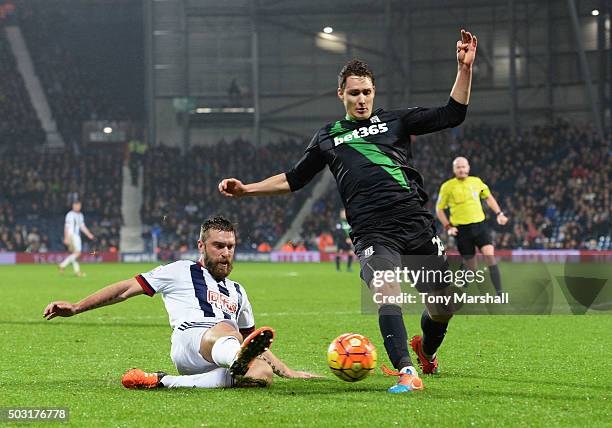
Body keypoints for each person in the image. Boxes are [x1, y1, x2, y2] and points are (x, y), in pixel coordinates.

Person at [218, 29, 478, 393]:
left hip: (416, 225)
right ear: (340, 94)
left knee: (443, 307)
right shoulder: (328, 136)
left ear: (374, 93)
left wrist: (464, 68)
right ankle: (406, 371)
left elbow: (453, 114)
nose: (361, 99)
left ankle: (425, 350)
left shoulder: (396, 122)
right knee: (387, 290)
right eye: (354, 93)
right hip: (374, 232)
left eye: (367, 92)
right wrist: (247, 190)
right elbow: (295, 178)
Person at [44, 216, 319, 389]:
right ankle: (236, 358)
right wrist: (77, 307)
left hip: (226, 347)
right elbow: (126, 288)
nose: (225, 253)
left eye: (230, 247)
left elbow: (252, 339)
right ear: (202, 246)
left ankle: (163, 381)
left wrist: (286, 371)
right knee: (228, 331)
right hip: (190, 340)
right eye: (218, 246)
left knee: (261, 375)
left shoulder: (238, 291)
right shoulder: (179, 270)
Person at [435, 157, 508, 295]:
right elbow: (439, 209)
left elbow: (489, 197)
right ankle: (464, 276)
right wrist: (448, 226)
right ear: (454, 170)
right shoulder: (447, 186)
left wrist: (499, 213)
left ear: (468, 168)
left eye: (463, 166)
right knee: (472, 267)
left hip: (479, 226)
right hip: (462, 230)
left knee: (489, 255)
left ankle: (499, 292)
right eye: (458, 167)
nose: (461, 169)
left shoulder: (476, 182)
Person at [58, 201, 95, 277]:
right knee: (78, 253)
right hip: (72, 235)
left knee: (76, 254)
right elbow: (67, 226)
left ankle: (77, 272)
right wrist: (66, 237)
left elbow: (82, 226)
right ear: (73, 206)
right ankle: (63, 264)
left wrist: (89, 234)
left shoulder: (80, 215)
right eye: (76, 206)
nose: (77, 207)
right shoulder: (70, 214)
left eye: (79, 206)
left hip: (77, 235)